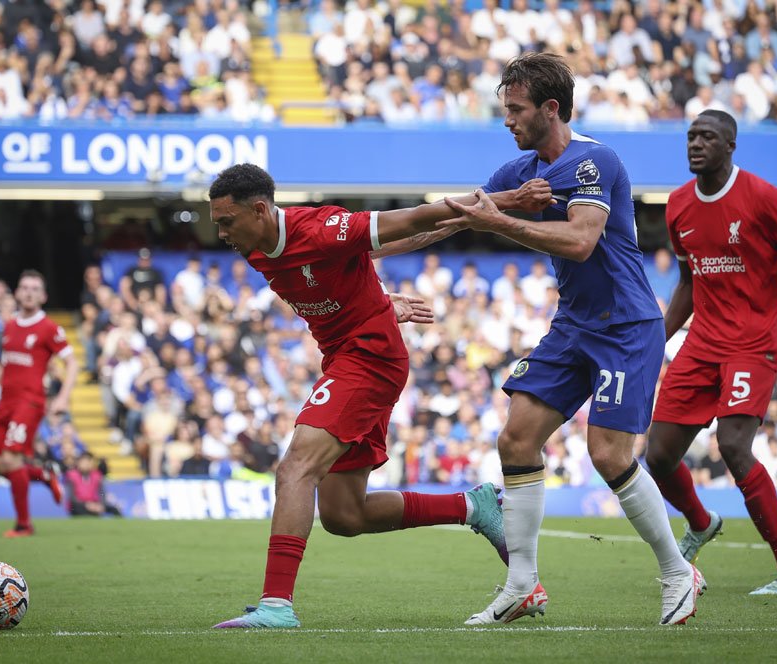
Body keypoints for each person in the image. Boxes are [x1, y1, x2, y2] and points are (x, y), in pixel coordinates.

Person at [209, 163, 552, 629]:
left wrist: (506, 201)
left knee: (296, 467)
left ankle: (276, 606)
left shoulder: (322, 228)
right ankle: (473, 506)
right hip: (349, 356)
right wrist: (382, 301)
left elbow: (410, 220)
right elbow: (354, 266)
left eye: (226, 221)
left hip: (368, 357)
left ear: (260, 209)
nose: (221, 232)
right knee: (344, 515)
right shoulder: (255, 248)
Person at [439, 52, 702, 627]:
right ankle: (522, 583)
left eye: (516, 110)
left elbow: (582, 241)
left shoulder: (593, 161)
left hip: (628, 326)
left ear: (550, 108)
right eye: (504, 109)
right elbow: (460, 215)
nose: (506, 120)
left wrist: (501, 221)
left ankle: (678, 571)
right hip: (575, 326)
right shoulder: (519, 172)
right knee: (516, 441)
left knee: (607, 453)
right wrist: (366, 247)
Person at [645, 110, 777, 595]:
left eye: (707, 137)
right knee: (659, 455)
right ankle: (701, 522)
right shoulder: (678, 205)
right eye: (691, 137)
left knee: (733, 446)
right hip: (702, 342)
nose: (695, 144)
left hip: (753, 343)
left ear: (730, 145)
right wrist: (656, 339)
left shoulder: (763, 196)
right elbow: (689, 282)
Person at [0, 270, 79, 537]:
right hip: (5, 402)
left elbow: (72, 362)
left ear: (43, 296)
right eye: (24, 287)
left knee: (11, 457)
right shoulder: (9, 325)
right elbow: (7, 362)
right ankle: (42, 475)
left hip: (30, 402)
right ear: (18, 292)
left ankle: (24, 524)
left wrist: (63, 397)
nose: (29, 292)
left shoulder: (49, 328)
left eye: (35, 288)